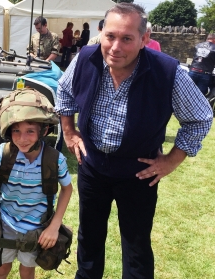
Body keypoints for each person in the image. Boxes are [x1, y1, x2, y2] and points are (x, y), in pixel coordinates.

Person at [56, 3, 212, 279]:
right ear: (101, 33)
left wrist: (171, 161)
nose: (116, 47)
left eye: (127, 38)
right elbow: (64, 92)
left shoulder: (168, 72)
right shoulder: (85, 59)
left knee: (136, 245)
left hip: (138, 173)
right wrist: (69, 132)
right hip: (92, 167)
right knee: (88, 237)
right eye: (110, 36)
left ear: (144, 40)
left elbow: (200, 117)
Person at [0, 88, 73, 279]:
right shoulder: (3, 152)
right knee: (1, 269)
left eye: (30, 131)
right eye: (16, 130)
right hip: (6, 224)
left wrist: (54, 225)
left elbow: (67, 188)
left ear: (44, 130)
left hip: (36, 227)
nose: (22, 139)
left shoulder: (55, 160)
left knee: (27, 271)